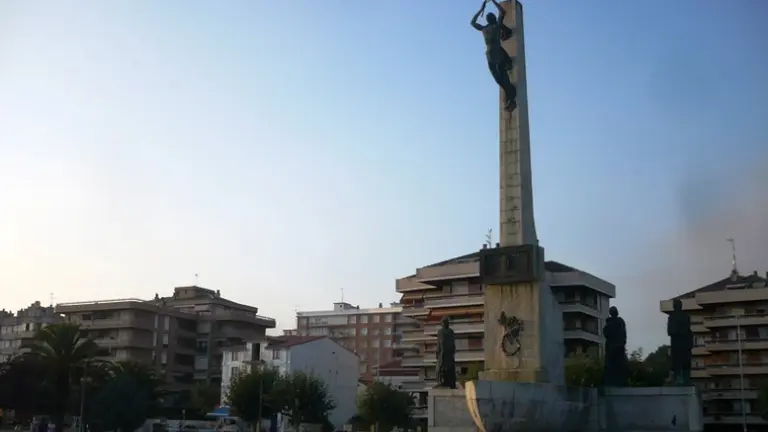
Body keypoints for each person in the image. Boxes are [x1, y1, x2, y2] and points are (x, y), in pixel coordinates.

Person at [470, 0, 518, 111]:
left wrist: (491, 3)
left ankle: (511, 97)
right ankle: (510, 95)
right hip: (490, 56)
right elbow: (472, 23)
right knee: (498, 78)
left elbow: (502, 12)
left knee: (502, 77)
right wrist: (482, 9)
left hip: (496, 54)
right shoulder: (485, 29)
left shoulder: (495, 26)